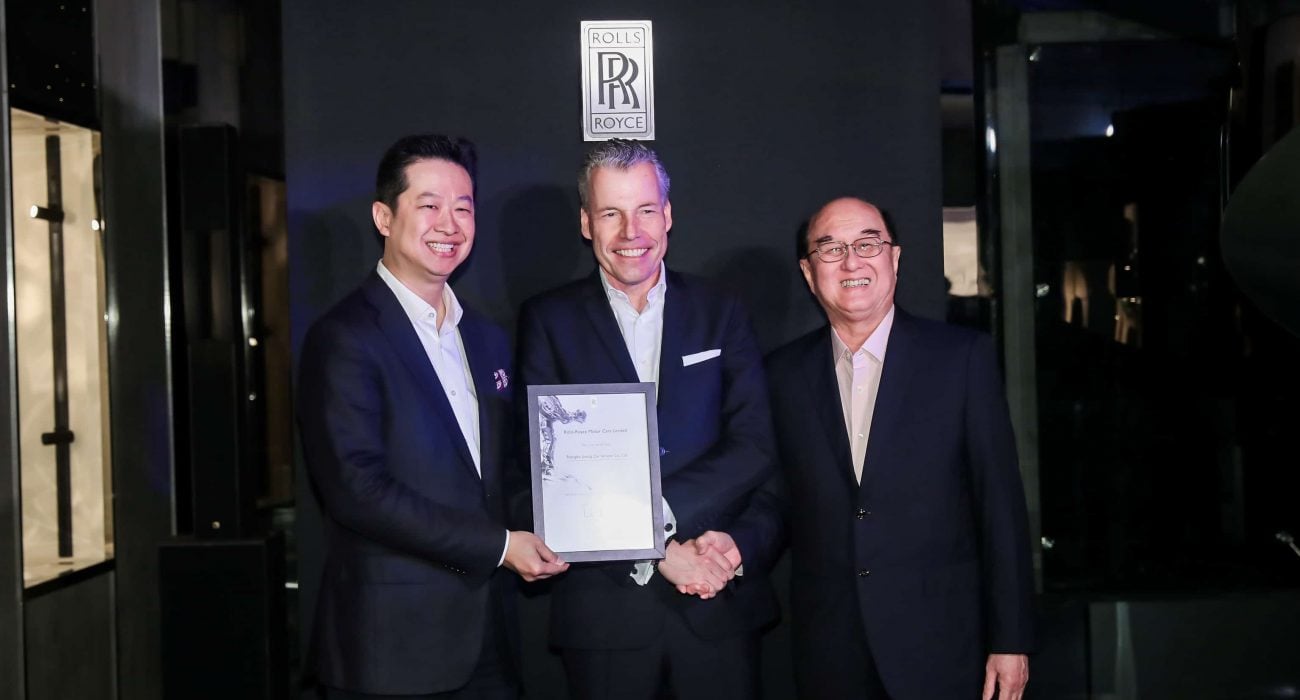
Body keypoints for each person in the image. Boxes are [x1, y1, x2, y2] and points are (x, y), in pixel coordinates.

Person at [298, 134, 568, 699]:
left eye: (463, 207)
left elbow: (505, 474)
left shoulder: (488, 338)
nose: (449, 223)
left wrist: (569, 520)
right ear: (383, 216)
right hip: (392, 650)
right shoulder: (344, 337)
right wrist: (500, 546)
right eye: (428, 205)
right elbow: (357, 490)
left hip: (491, 639)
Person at [515, 139, 780, 699]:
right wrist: (656, 552)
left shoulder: (722, 310)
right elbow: (545, 470)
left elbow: (755, 443)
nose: (629, 231)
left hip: (716, 605)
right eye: (611, 213)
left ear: (668, 216)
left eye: (645, 210)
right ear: (587, 223)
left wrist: (656, 520)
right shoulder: (547, 320)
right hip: (604, 615)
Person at [764, 197, 1035, 699]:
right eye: (831, 249)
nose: (852, 262)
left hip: (943, 645)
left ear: (895, 257)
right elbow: (775, 501)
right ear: (808, 271)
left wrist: (1011, 640)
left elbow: (999, 505)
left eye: (868, 244)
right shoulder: (781, 375)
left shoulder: (961, 360)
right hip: (829, 650)